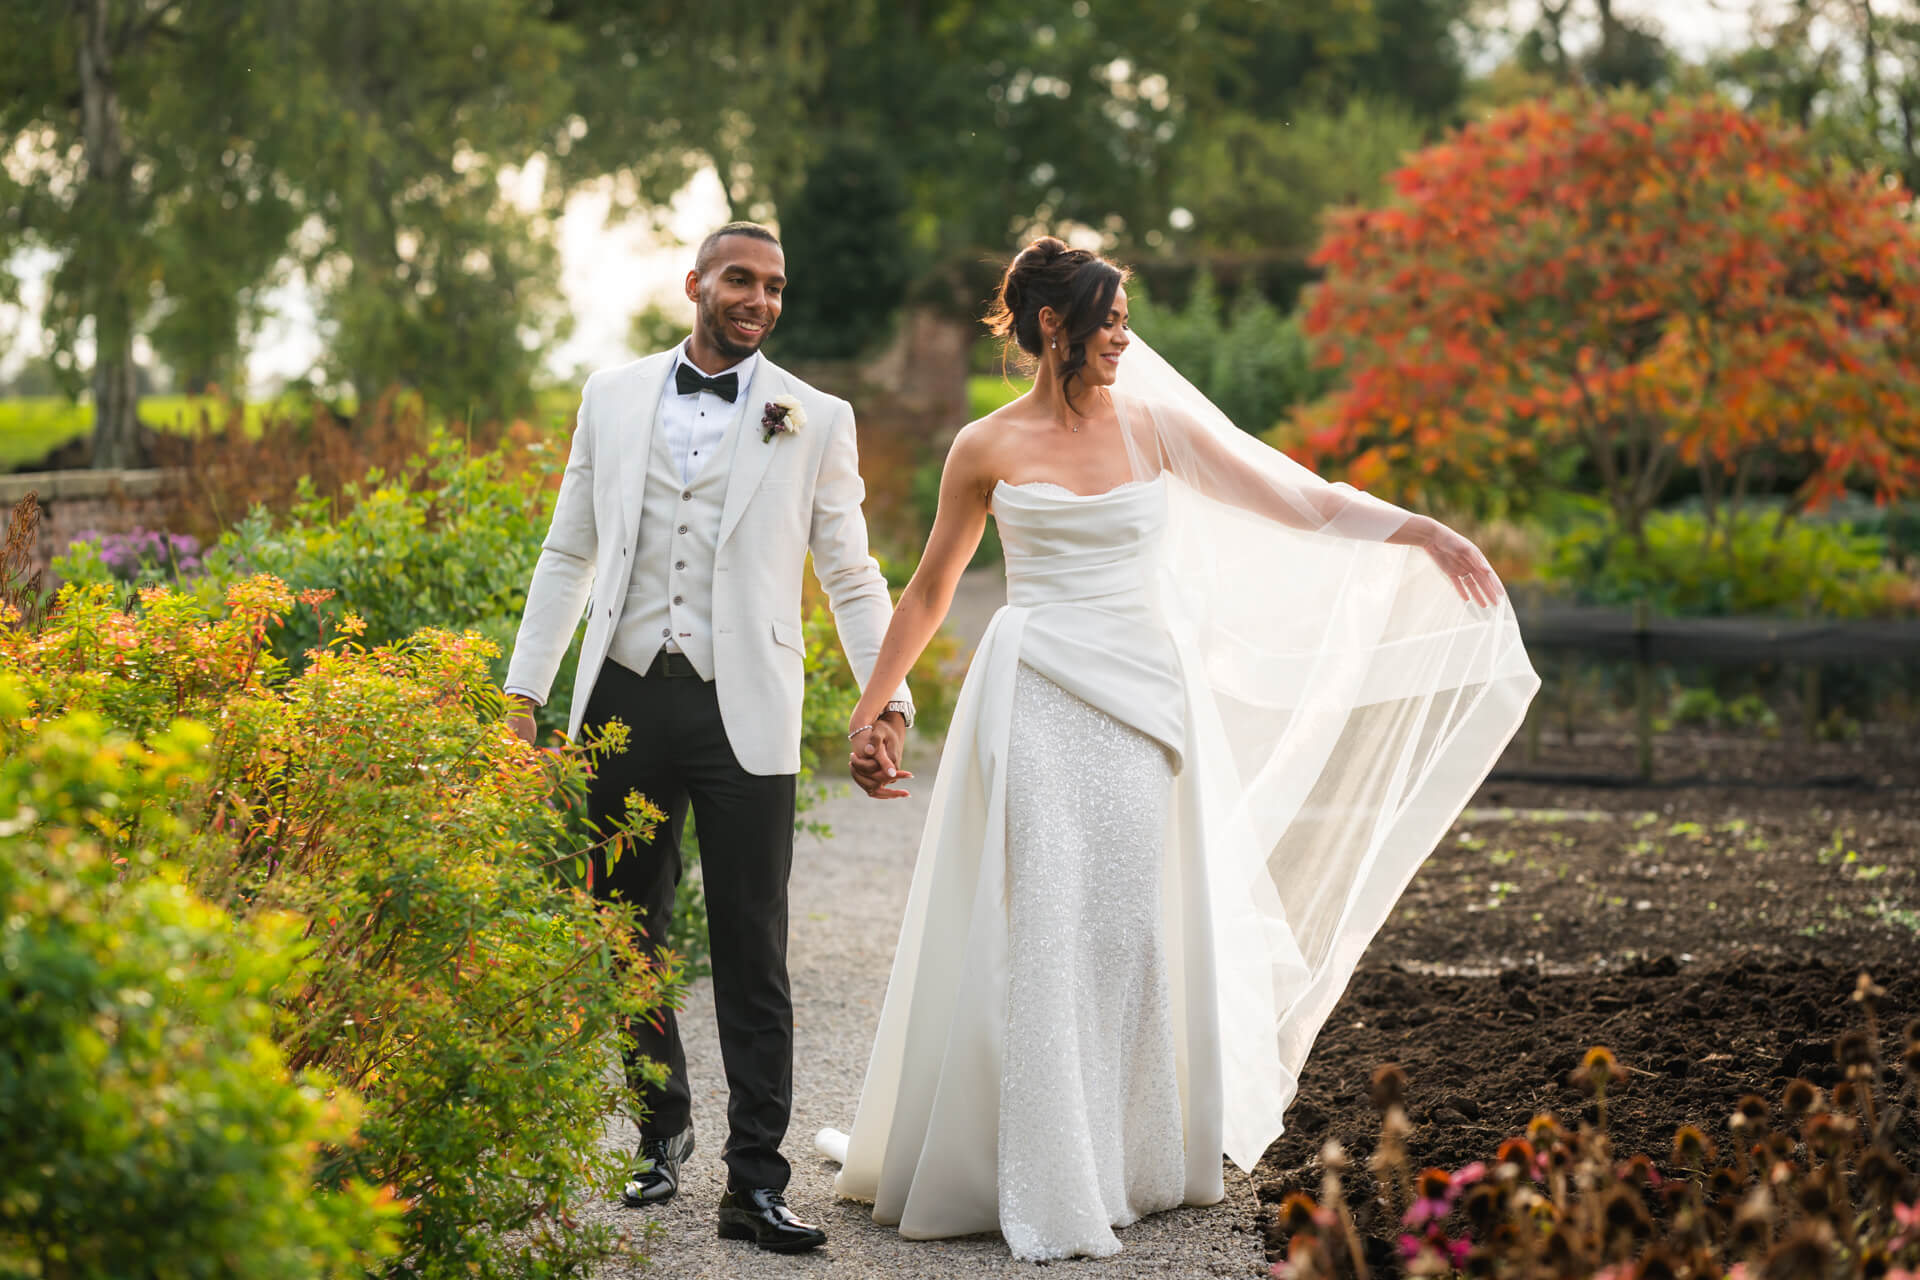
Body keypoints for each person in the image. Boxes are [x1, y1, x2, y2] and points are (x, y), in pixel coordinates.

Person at [821, 237, 1539, 1261]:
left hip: (1140, 706)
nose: (1126, 335)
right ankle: (1044, 1171)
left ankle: (1121, 1157)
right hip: (1034, 697)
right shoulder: (983, 445)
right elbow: (933, 587)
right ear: (1056, 324)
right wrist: (873, 703)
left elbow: (1298, 496)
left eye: (1126, 317)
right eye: (1110, 317)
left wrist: (1420, 530)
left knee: (1126, 931)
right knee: (1047, 922)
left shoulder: (1156, 427)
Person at [503, 221, 912, 1255]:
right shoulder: (612, 394)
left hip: (747, 709)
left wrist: (887, 696)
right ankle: (660, 1122)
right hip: (625, 699)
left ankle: (756, 1182)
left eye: (775, 287)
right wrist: (524, 692)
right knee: (624, 931)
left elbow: (852, 573)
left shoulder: (815, 416)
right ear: (696, 282)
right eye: (741, 279)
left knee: (752, 947)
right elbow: (568, 548)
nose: (760, 300)